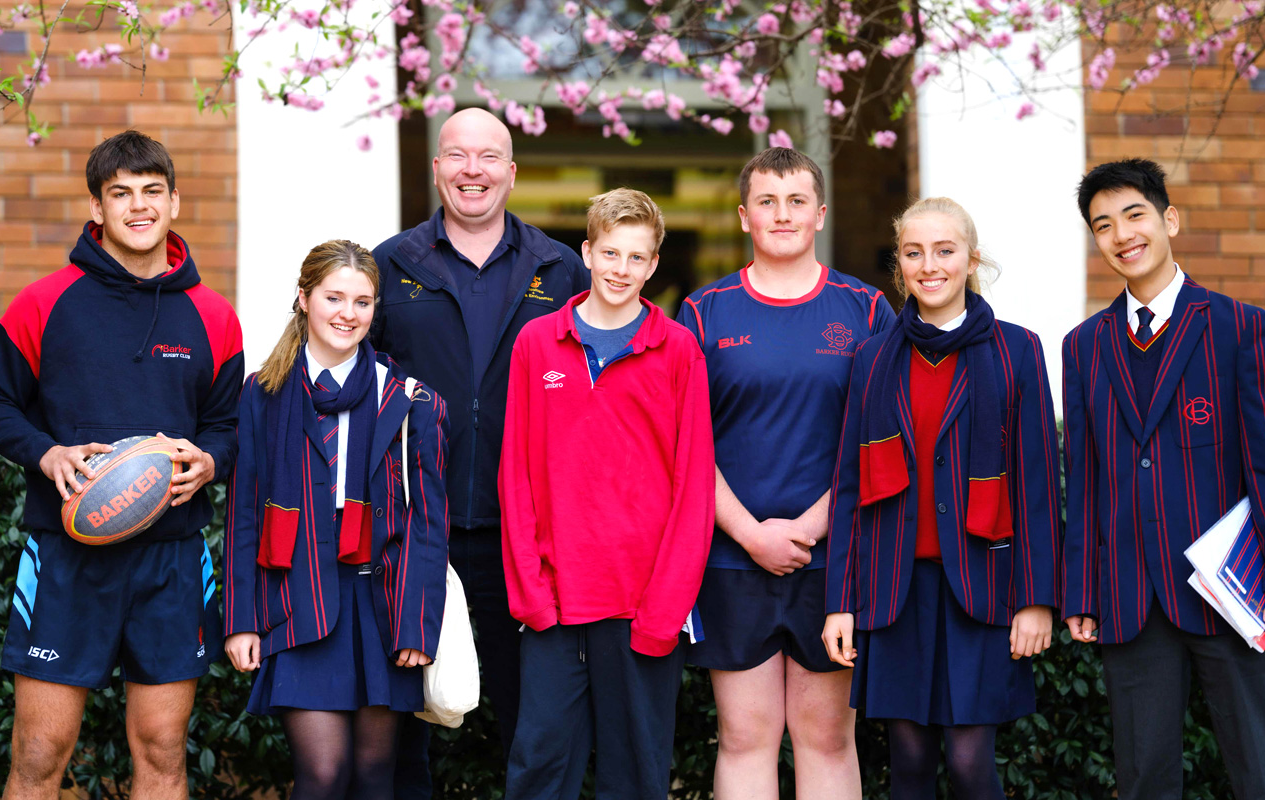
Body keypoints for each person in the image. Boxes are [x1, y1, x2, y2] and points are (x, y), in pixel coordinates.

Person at [0, 130, 244, 800]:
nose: (139, 206)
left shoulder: (213, 316)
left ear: (175, 200)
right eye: (120, 193)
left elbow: (232, 427)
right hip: (68, 557)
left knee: (161, 752)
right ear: (96, 207)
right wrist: (46, 451)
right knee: (39, 753)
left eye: (152, 191)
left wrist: (209, 461)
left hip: (170, 561)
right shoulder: (43, 303)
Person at [1062, 158, 1265, 800]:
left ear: (1169, 219)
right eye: (1103, 225)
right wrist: (1080, 588)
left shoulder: (1238, 327)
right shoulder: (1082, 346)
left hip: (1230, 588)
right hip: (1130, 593)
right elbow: (1085, 473)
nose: (1121, 234)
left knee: (1261, 770)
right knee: (1145, 778)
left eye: (1134, 215)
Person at [370, 108, 588, 791]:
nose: (473, 170)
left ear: (512, 173)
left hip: (522, 535)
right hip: (412, 531)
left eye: (489, 157)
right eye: (458, 156)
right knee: (402, 722)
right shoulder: (391, 263)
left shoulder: (560, 271)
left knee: (534, 722)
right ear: (435, 168)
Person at [821, 197, 1060, 798]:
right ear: (900, 267)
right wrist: (840, 602)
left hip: (982, 587)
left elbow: (1035, 481)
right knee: (908, 761)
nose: (930, 265)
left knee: (971, 762)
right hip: (894, 588)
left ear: (971, 259)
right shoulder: (873, 358)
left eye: (945, 250)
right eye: (914, 252)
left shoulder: (1017, 350)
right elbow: (850, 488)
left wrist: (1036, 600)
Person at [676, 147, 893, 800]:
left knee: (825, 738)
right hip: (733, 562)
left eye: (797, 201)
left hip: (833, 563)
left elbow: (879, 441)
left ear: (820, 214)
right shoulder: (705, 312)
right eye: (767, 201)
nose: (782, 214)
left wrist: (808, 527)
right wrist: (751, 534)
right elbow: (688, 447)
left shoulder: (866, 309)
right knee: (745, 738)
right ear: (744, 216)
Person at [499, 188, 714, 799]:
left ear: (653, 265)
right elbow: (516, 475)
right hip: (554, 600)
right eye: (611, 253)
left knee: (638, 776)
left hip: (642, 603)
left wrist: (665, 612)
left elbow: (694, 486)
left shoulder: (677, 351)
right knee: (539, 769)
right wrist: (532, 594)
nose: (621, 269)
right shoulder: (538, 344)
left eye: (637, 258)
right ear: (587, 252)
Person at [223, 240, 450, 800]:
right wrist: (242, 618)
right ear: (304, 299)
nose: (348, 313)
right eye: (334, 297)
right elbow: (244, 511)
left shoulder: (410, 399)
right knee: (322, 776)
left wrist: (418, 625)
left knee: (376, 779)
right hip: (298, 600)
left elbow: (427, 521)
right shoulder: (264, 394)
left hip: (382, 608)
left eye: (363, 301)